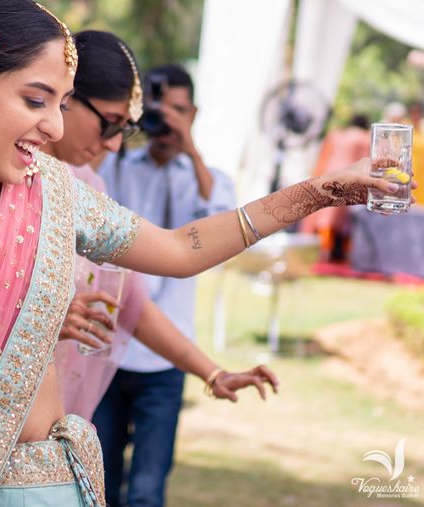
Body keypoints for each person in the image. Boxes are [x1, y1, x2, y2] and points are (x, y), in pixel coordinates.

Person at [0, 0, 398, 505]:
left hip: (54, 488)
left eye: (61, 104)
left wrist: (317, 193)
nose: (55, 127)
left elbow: (180, 249)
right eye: (36, 100)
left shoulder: (53, 194)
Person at [49, 32, 277, 425]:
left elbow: (136, 293)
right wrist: (43, 318)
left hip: (63, 394)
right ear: (65, 96)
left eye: (127, 128)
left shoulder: (88, 186)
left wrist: (212, 371)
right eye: (110, 125)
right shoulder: (14, 175)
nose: (115, 145)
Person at [95, 64, 234, 506]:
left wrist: (189, 149)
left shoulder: (205, 176)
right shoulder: (116, 163)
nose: (167, 120)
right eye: (159, 110)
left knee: (148, 488)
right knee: (99, 479)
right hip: (106, 348)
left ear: (193, 112)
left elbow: (223, 219)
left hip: (165, 356)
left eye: (177, 110)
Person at [302, 115, 371, 262]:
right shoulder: (364, 138)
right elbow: (366, 161)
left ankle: (320, 251)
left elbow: (322, 157)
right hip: (348, 177)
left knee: (324, 215)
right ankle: (336, 254)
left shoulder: (336, 135)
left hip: (328, 174)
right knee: (342, 220)